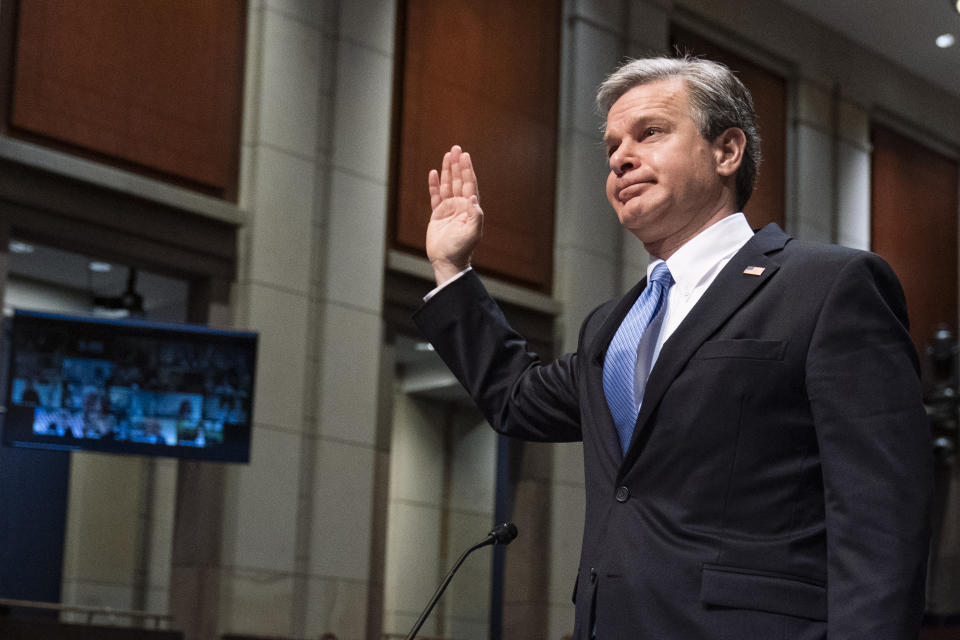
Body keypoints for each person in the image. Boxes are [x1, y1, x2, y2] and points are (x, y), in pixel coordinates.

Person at [413, 56, 933, 639]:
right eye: (611, 146)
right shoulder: (612, 327)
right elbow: (515, 399)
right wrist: (451, 269)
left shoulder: (827, 287)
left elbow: (881, 515)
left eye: (650, 132)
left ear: (727, 151)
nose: (620, 158)